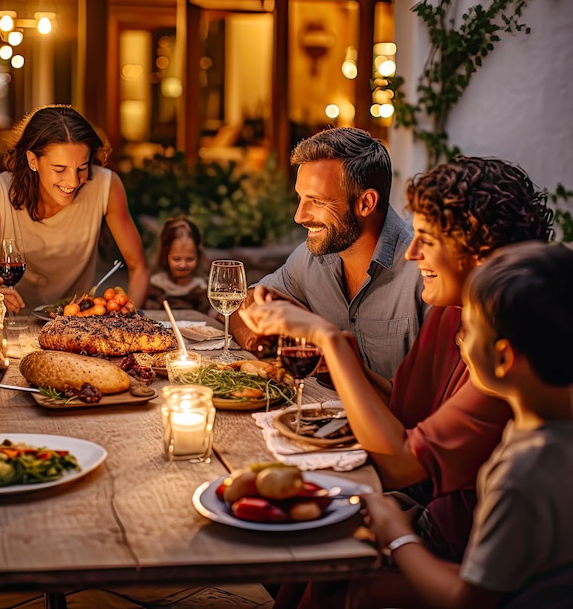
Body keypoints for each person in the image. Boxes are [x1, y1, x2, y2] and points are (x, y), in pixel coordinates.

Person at [240, 157, 554, 574]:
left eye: (426, 239)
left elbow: (402, 464)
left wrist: (328, 340)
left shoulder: (502, 360)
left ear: (475, 251)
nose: (410, 251)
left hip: (461, 550)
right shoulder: (450, 310)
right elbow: (403, 410)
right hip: (422, 513)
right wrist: (343, 360)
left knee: (324, 563)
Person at [347, 241, 573, 608]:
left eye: (469, 327)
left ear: (502, 358)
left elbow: (469, 600)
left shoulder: (521, 473)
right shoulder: (546, 432)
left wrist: (397, 534)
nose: (459, 338)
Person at [230, 126, 426, 379]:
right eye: (300, 198)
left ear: (366, 203)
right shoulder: (310, 260)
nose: (299, 216)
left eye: (318, 201)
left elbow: (432, 401)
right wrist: (256, 337)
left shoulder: (423, 270)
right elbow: (240, 305)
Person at [0, 104, 149, 313]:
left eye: (82, 168)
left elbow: (139, 267)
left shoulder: (106, 186)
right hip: (12, 326)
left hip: (79, 327)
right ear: (32, 160)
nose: (73, 181)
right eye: (60, 169)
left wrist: (129, 320)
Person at [144, 216, 211, 314]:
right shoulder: (155, 286)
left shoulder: (202, 288)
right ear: (165, 255)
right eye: (176, 259)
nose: (183, 265)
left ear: (198, 255)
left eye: (189, 259)